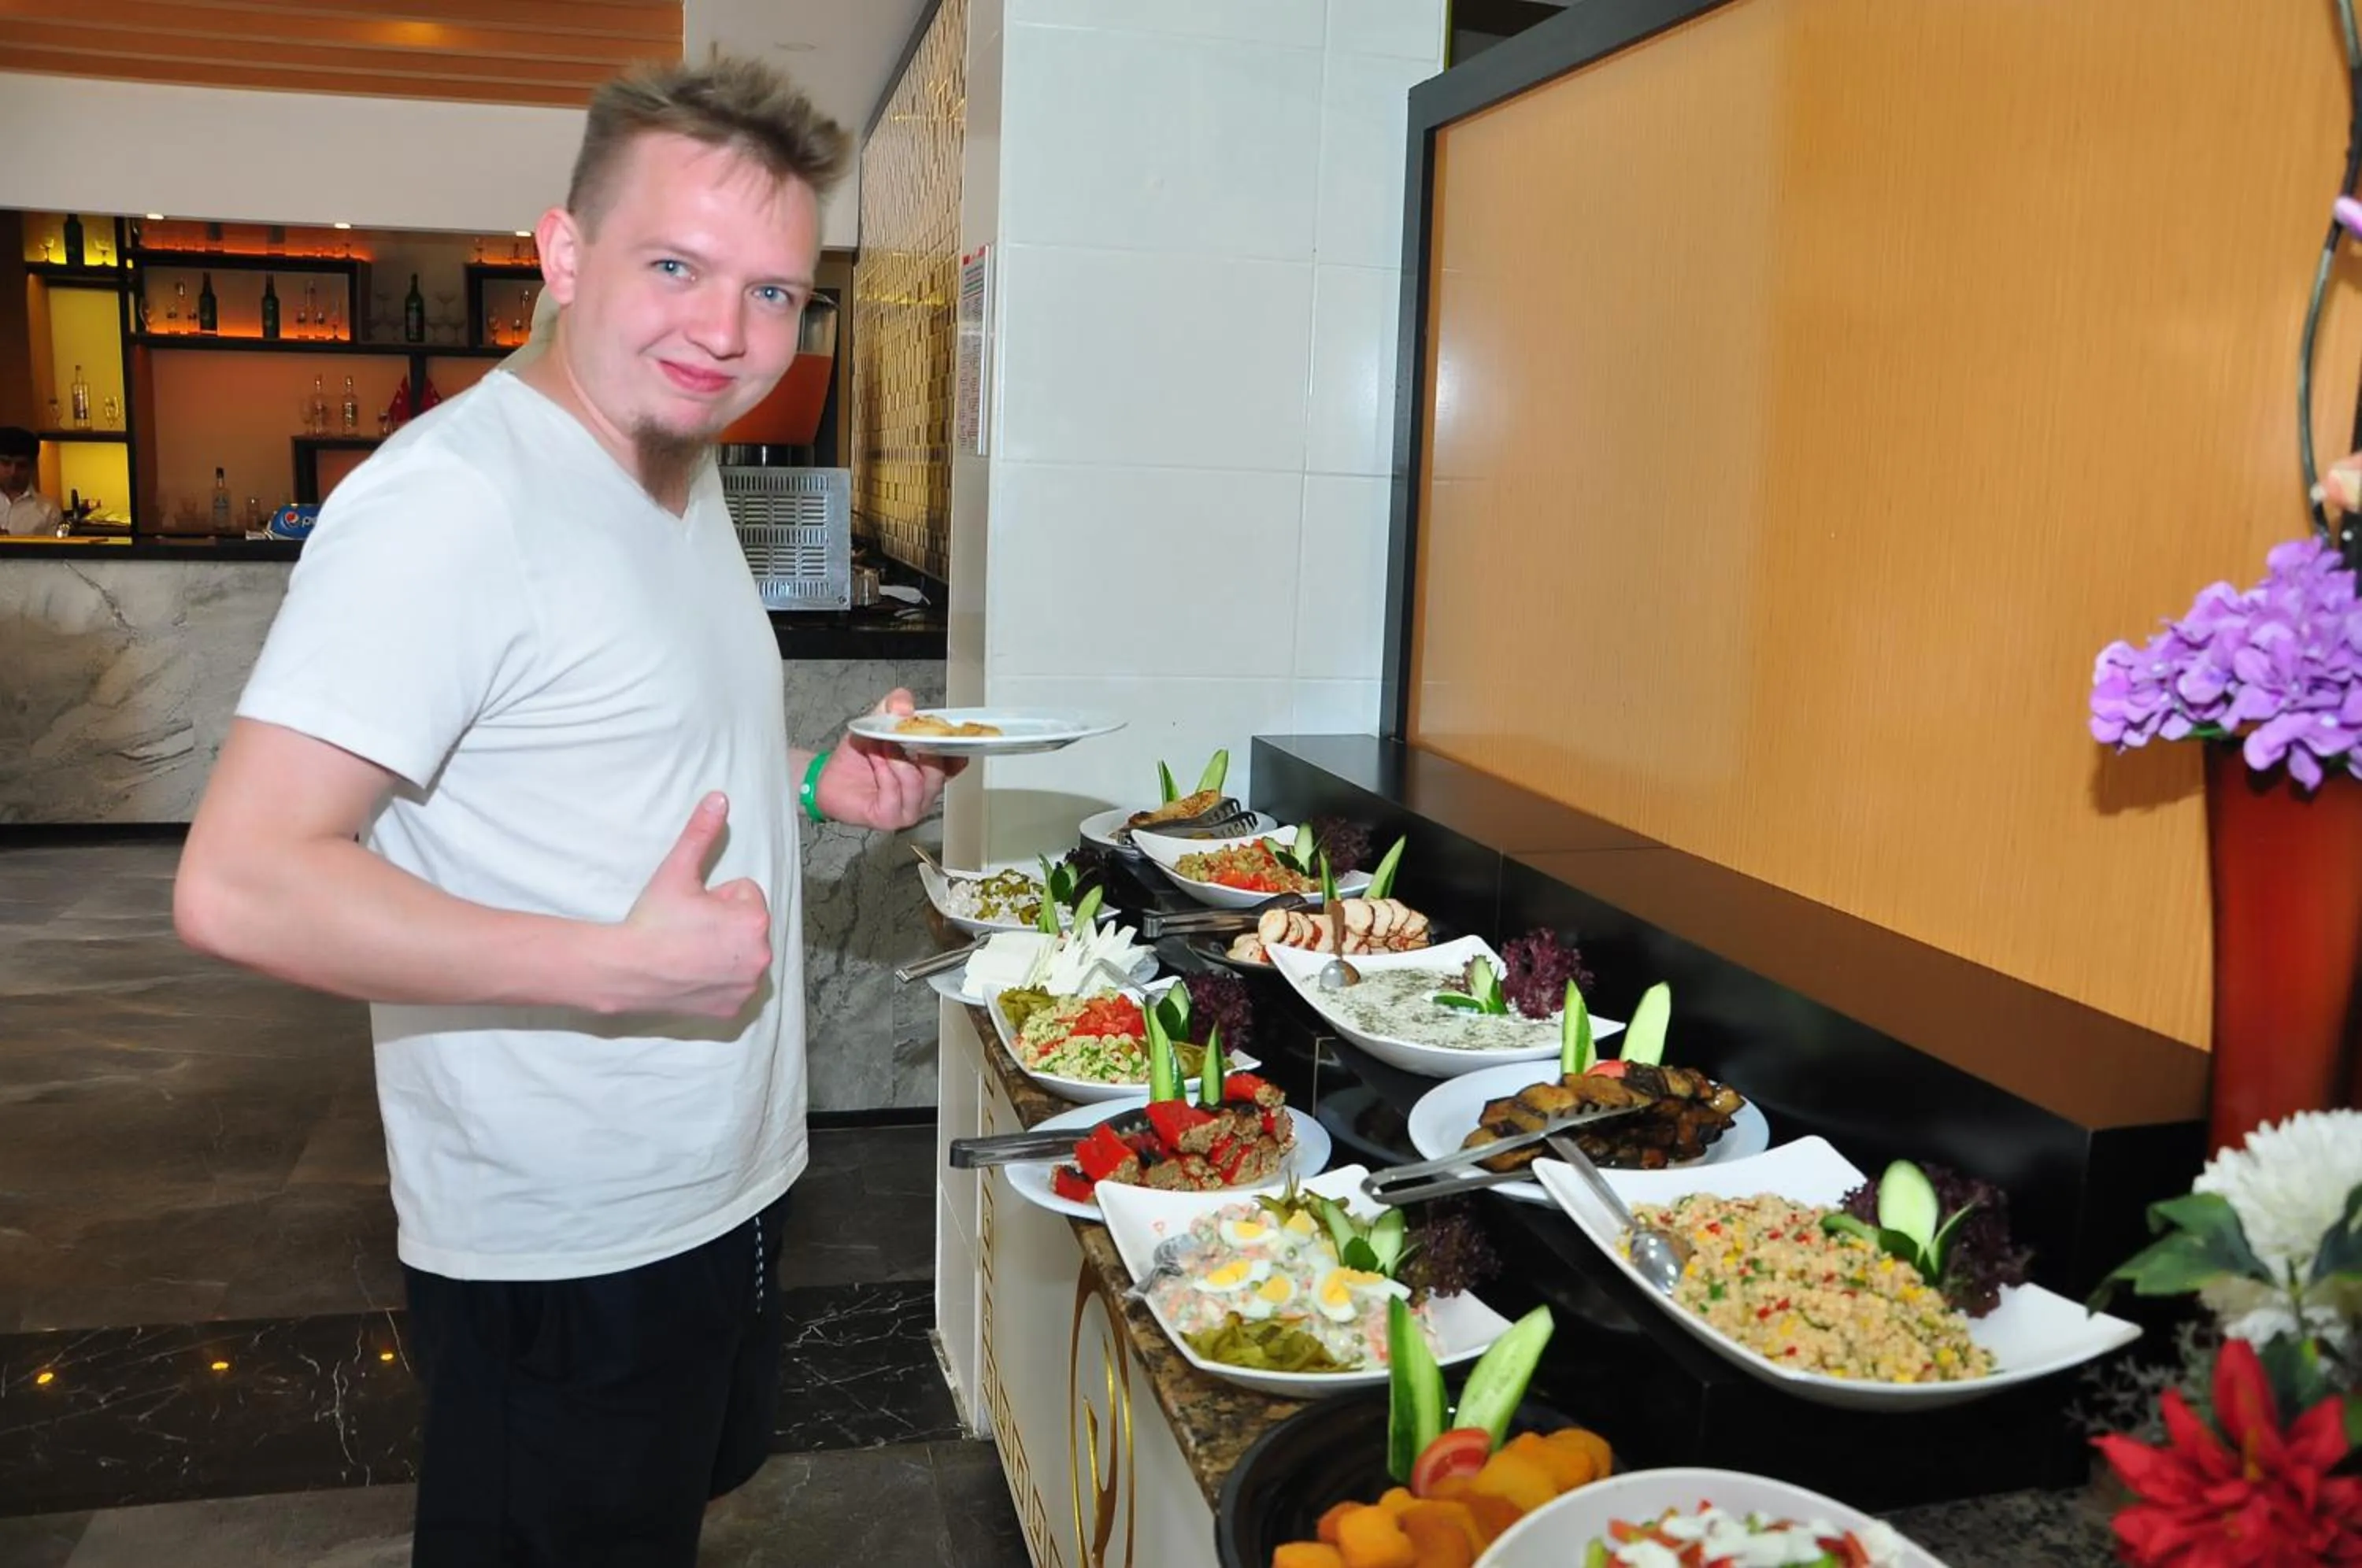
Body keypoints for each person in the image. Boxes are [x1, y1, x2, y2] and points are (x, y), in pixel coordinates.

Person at [173, 56, 959, 1567]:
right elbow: (243, 881)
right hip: (565, 1230)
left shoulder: (680, 460)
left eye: (777, 292)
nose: (727, 333)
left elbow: (605, 763)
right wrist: (611, 963)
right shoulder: (453, 503)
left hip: (717, 1175)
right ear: (565, 252)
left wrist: (811, 784)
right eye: (676, 265)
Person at [0, 427, 64, 535]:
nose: (13, 472)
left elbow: (53, 552)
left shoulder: (49, 511)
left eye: (22, 466)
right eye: (6, 464)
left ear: (33, 466)